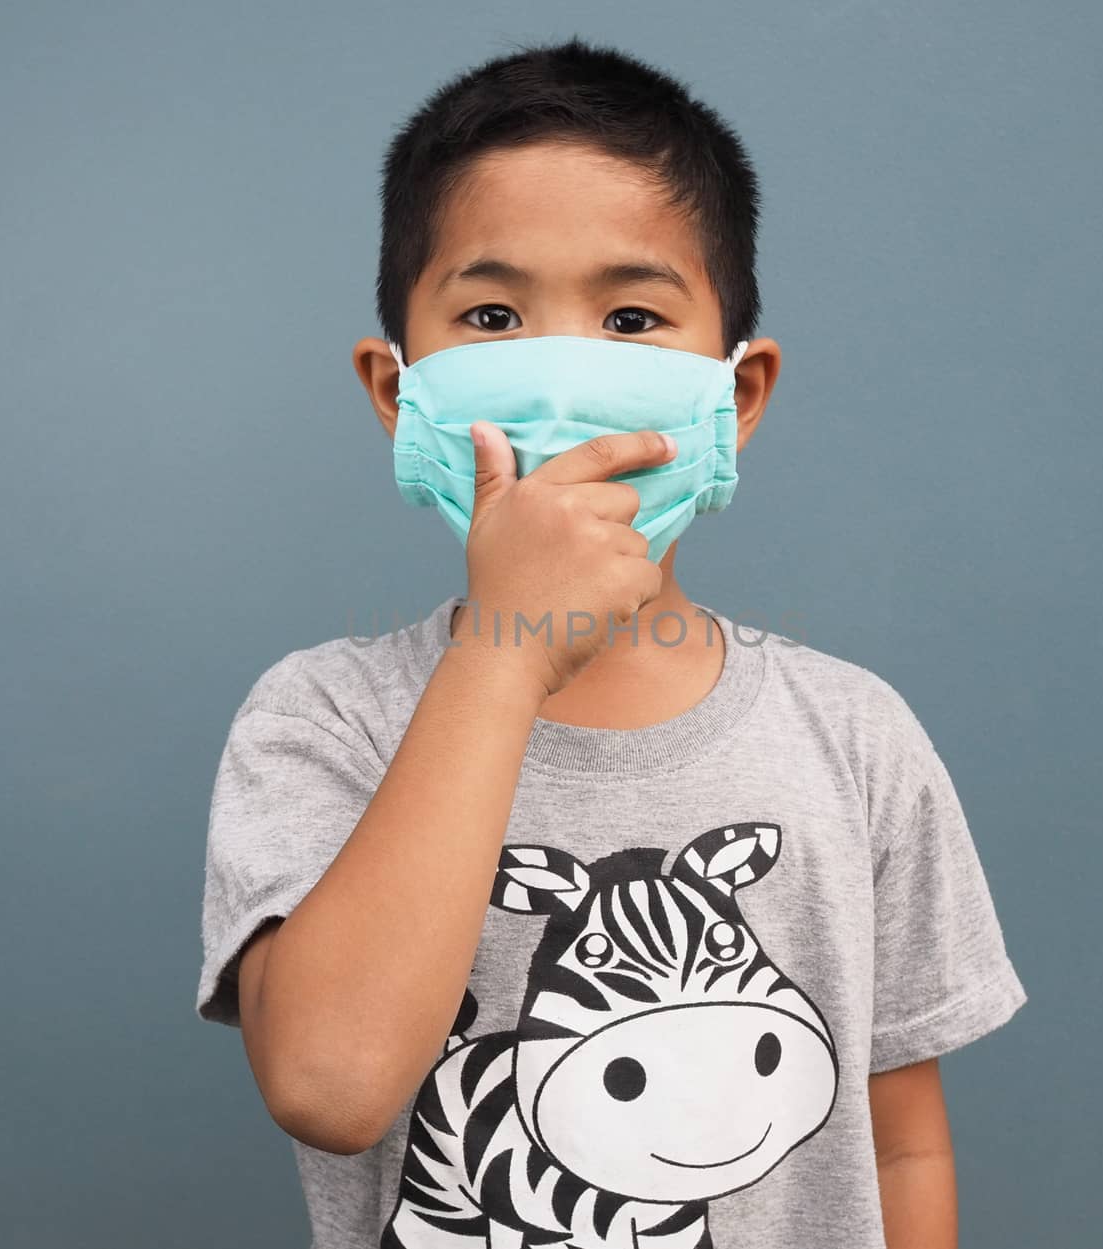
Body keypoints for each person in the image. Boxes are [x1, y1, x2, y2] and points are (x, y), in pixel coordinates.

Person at [196, 35, 1027, 1248]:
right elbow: (330, 1086)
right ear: (396, 392)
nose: (567, 371)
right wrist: (506, 651)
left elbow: (899, 1136)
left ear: (735, 398)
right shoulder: (322, 717)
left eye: (632, 316)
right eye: (492, 314)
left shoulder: (852, 735)